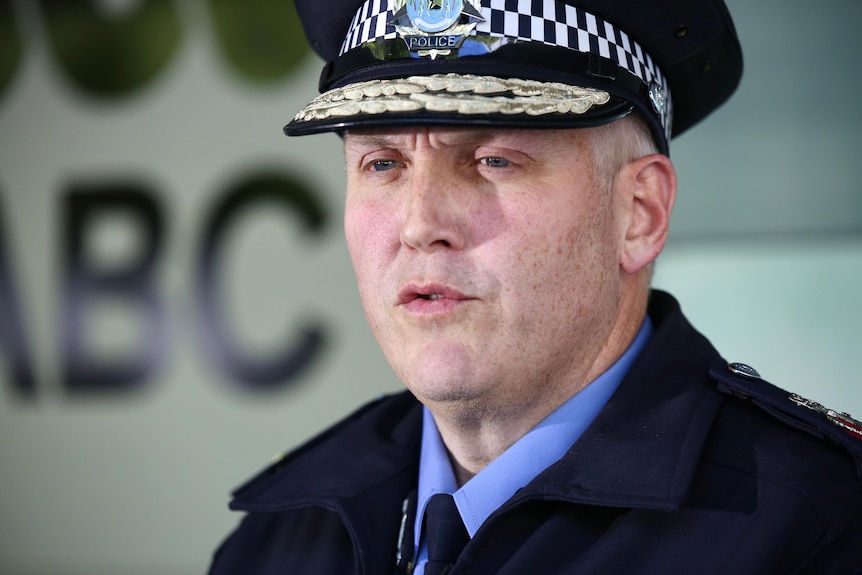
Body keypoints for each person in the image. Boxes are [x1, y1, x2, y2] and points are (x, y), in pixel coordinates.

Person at [209, 0, 862, 573]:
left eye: (493, 159)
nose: (420, 224)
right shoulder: (274, 538)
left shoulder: (817, 526)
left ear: (640, 212)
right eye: (384, 162)